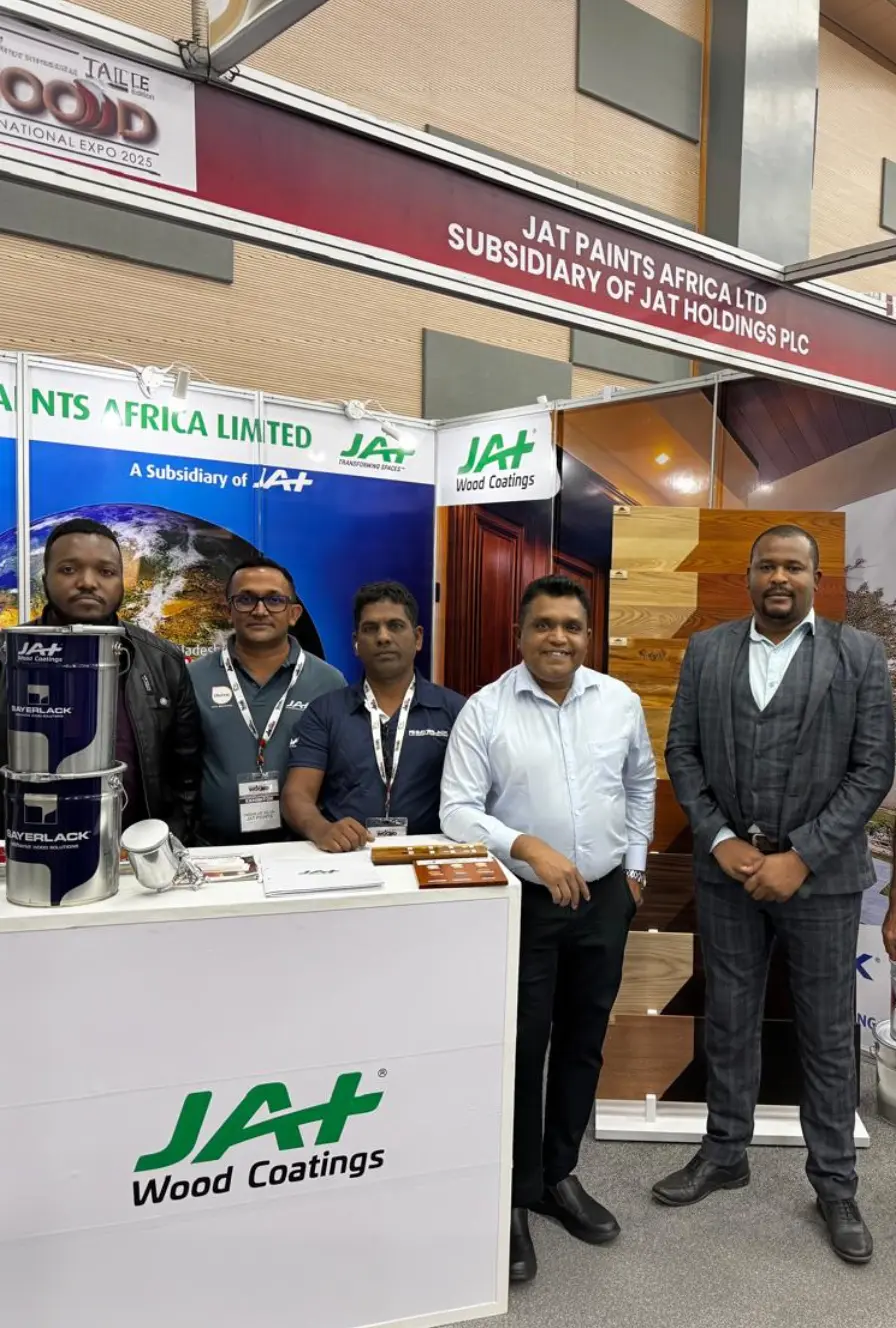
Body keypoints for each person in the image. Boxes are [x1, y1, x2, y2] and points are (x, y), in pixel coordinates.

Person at [653, 524, 895, 1266]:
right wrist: (720, 839)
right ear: (749, 576)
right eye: (767, 566)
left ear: (816, 578)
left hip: (820, 880)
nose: (779, 577)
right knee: (729, 1019)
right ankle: (725, 1153)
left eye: (793, 566)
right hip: (728, 875)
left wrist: (803, 856)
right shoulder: (708, 650)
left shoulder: (859, 654)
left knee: (826, 1033)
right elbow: (682, 752)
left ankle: (835, 1183)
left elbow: (873, 768)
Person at [440, 574, 656, 1285]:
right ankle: (513, 1193)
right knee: (522, 1047)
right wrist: (526, 845)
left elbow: (640, 783)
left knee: (583, 1040)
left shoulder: (618, 701)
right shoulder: (486, 710)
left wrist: (634, 871)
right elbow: (456, 810)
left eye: (570, 626)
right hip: (525, 905)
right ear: (520, 634)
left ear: (588, 636)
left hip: (604, 900)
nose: (557, 637)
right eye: (543, 625)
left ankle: (559, 1174)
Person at [0, 518, 201, 842]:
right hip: (27, 855)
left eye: (106, 572)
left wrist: (169, 840)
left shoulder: (163, 660)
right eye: (69, 569)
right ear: (45, 578)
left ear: (122, 583)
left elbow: (186, 774)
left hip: (133, 854)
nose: (87, 582)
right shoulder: (7, 656)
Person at [282, 581, 464, 850]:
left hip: (428, 856)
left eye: (395, 626)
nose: (383, 637)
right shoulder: (325, 711)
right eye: (370, 628)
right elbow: (296, 794)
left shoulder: (456, 711)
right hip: (347, 856)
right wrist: (321, 829)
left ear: (418, 638)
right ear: (356, 643)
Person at [189, 557, 345, 845]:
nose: (260, 611)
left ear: (294, 613)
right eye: (246, 599)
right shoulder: (192, 678)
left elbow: (341, 771)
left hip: (304, 849)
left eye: (274, 600)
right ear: (227, 610)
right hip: (213, 852)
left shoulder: (329, 682)